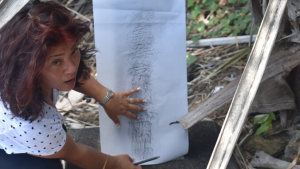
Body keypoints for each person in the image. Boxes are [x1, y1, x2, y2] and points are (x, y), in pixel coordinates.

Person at [0, 1, 145, 168]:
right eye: (56, 62)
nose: (72, 68)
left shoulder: (14, 48)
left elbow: (70, 71)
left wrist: (105, 97)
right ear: (29, 68)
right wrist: (115, 164)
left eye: (74, 50)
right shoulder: (31, 124)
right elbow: (76, 154)